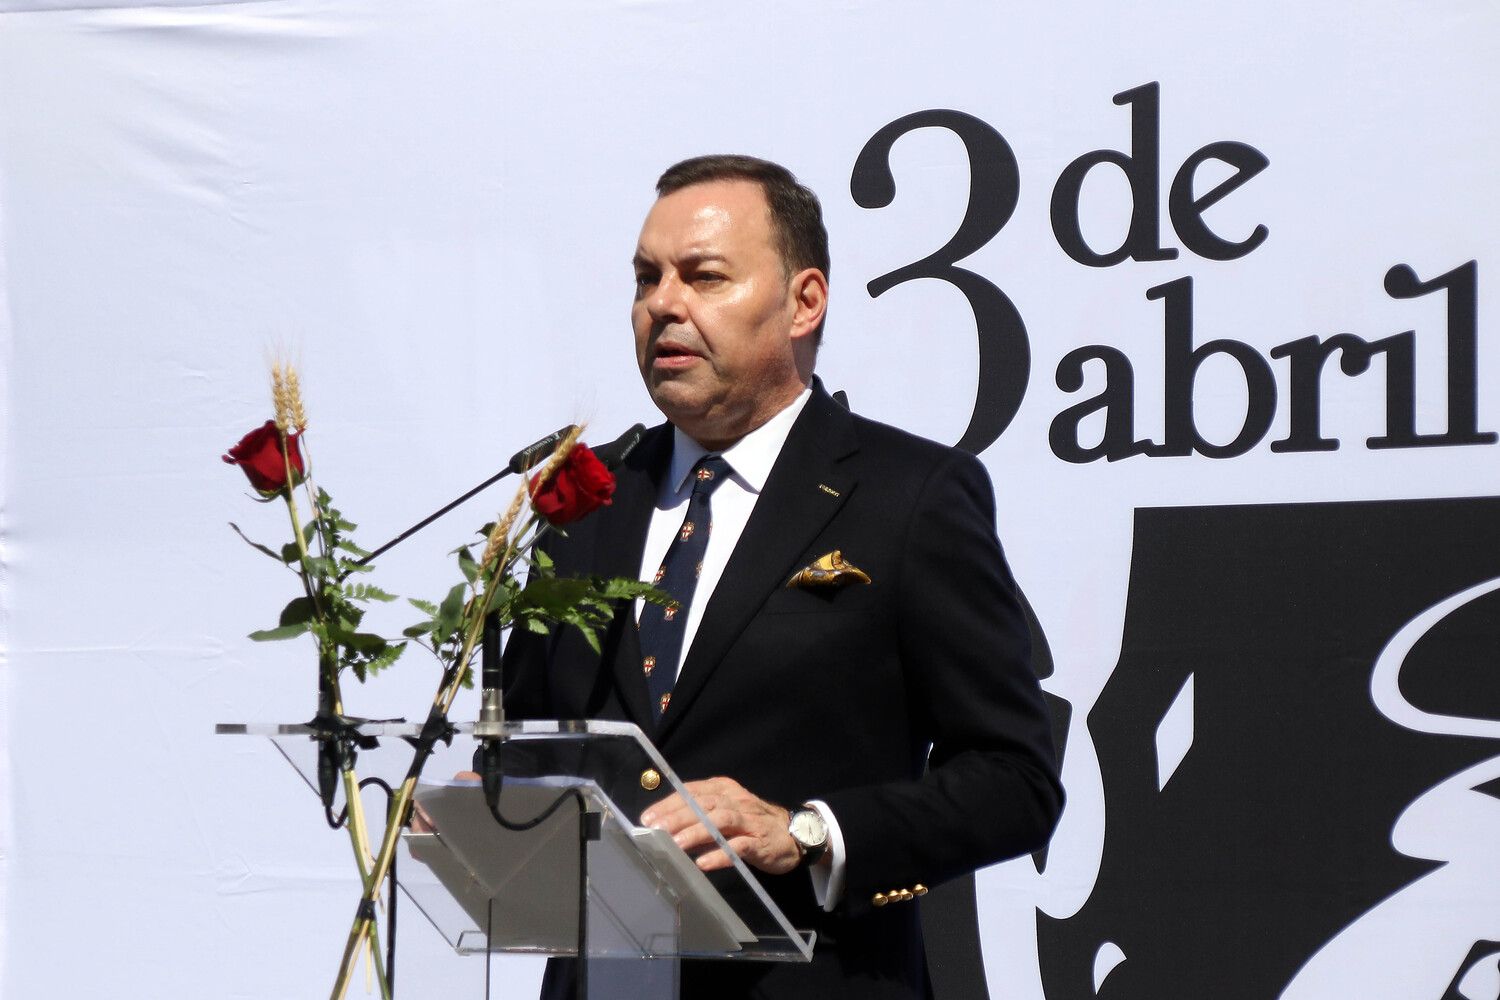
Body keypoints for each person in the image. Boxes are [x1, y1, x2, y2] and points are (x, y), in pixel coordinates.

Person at [497, 154, 1063, 999]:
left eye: (705, 276)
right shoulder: (583, 500)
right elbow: (530, 749)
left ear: (805, 301)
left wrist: (807, 831)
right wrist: (483, 800)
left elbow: (1014, 779)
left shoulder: (908, 499)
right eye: (647, 278)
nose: (665, 305)